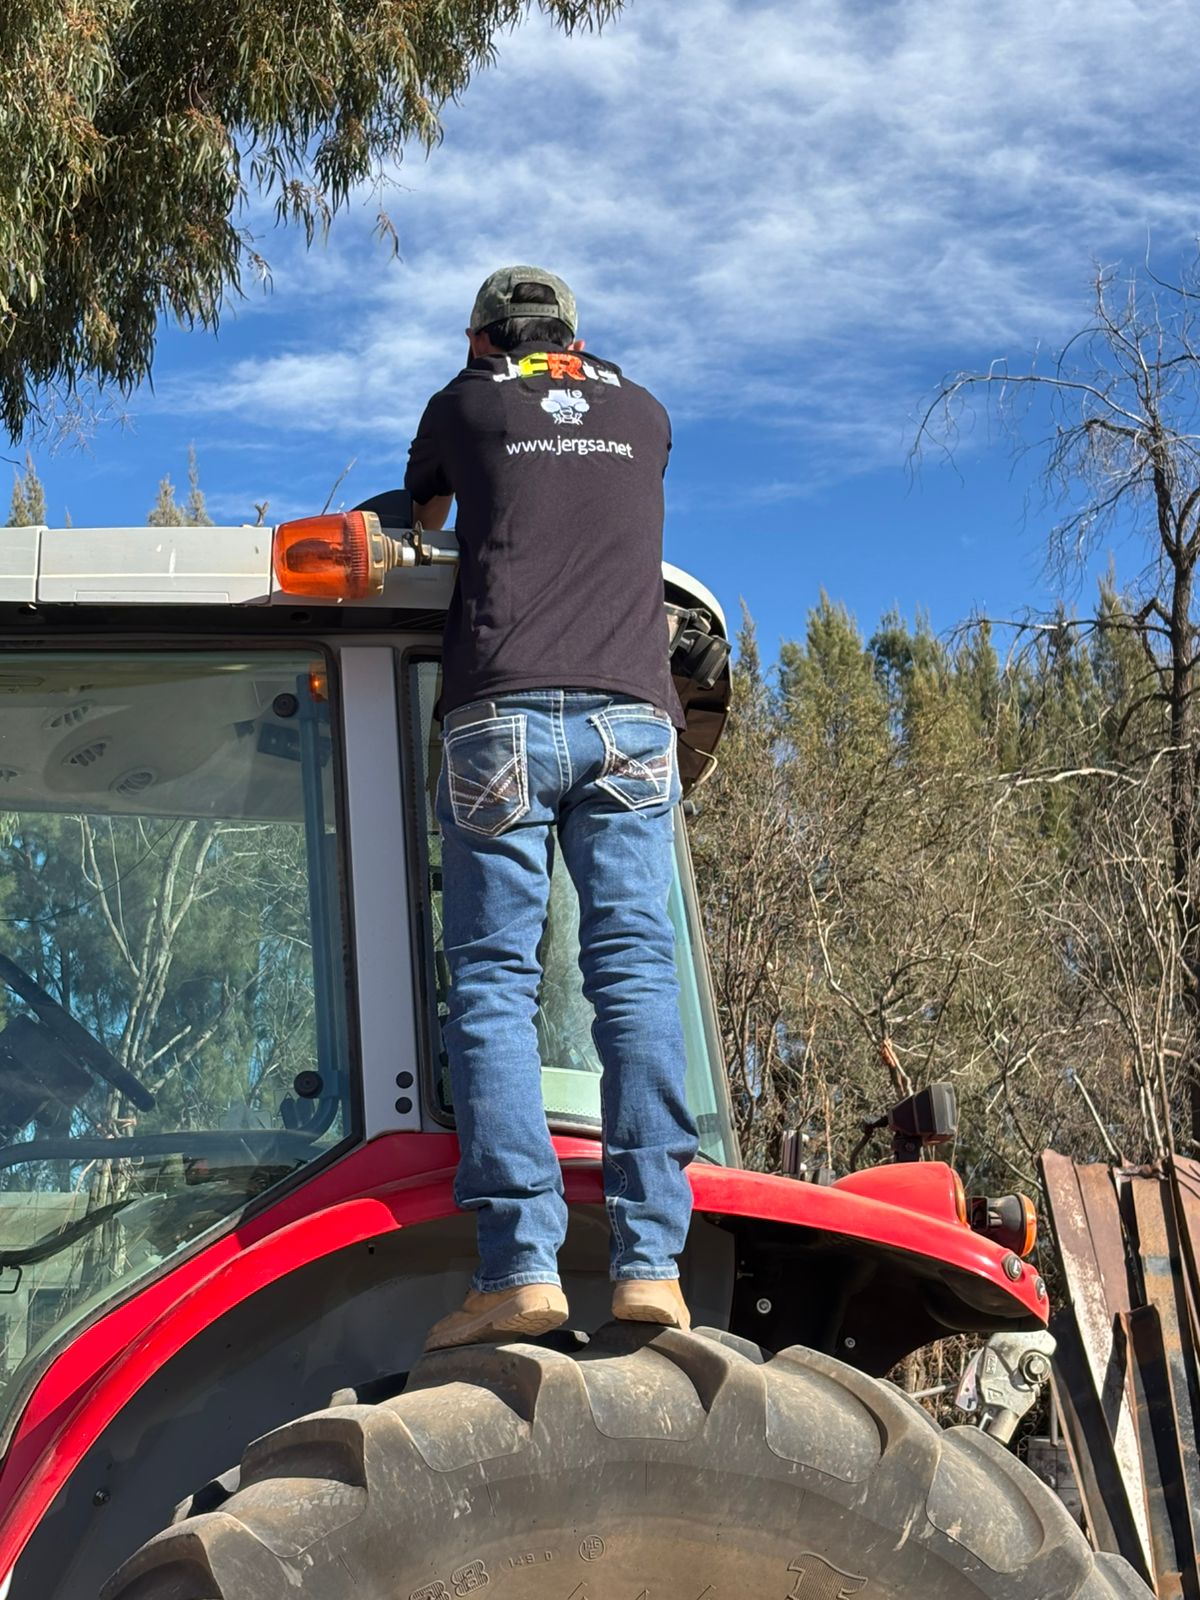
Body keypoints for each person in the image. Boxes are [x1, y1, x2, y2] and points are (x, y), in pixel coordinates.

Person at [406, 265, 697, 1352]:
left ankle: (520, 1265)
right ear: (572, 333)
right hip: (632, 715)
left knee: (494, 978)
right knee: (632, 967)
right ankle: (653, 1261)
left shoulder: (468, 400)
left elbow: (427, 505)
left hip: (504, 706)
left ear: (483, 340)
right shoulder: (647, 412)